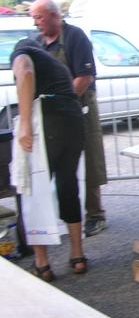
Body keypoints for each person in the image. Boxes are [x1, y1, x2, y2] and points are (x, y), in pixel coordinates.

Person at [29, 0, 108, 237]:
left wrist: (64, 103)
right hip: (50, 113)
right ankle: (58, 218)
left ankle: (95, 215)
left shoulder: (75, 37)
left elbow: (84, 77)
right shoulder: (37, 42)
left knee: (89, 159)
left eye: (39, 17)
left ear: (55, 15)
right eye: (33, 18)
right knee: (56, 164)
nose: (35, 23)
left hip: (79, 107)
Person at [11, 38, 87, 281]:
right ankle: (78, 256)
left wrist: (25, 124)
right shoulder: (54, 64)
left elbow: (25, 72)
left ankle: (42, 264)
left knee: (34, 189)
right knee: (68, 186)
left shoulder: (22, 52)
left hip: (48, 119)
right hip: (73, 118)